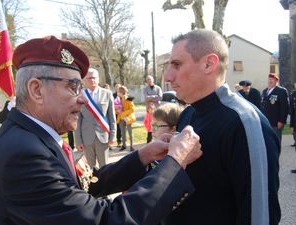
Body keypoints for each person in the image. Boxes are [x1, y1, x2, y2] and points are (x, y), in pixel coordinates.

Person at [0, 35, 203, 225]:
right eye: (73, 87)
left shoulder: (32, 137)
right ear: (36, 90)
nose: (82, 99)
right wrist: (175, 163)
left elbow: (88, 182)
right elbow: (104, 220)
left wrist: (143, 155)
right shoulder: (24, 154)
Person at [163, 29, 280, 225]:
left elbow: (260, 216)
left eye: (177, 64)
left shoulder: (245, 122)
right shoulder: (188, 114)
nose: (167, 76)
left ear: (209, 63)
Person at [75, 68, 116, 168]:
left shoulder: (107, 94)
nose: (91, 80)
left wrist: (113, 136)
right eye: (89, 78)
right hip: (86, 137)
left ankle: (105, 184)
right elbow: (78, 119)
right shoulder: (80, 95)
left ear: (98, 79)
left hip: (103, 136)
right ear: (84, 80)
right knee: (89, 168)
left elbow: (112, 117)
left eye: (94, 78)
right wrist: (78, 140)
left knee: (105, 167)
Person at [261, 73, 289, 144]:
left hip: (276, 122)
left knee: (276, 141)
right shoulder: (265, 91)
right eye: (269, 79)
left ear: (276, 81)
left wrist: (281, 121)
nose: (270, 81)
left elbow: (284, 107)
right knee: (267, 140)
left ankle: (276, 155)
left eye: (272, 79)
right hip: (266, 121)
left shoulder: (281, 91)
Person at [116, 85, 136, 151]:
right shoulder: (118, 99)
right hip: (121, 118)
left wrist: (123, 113)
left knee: (130, 132)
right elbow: (117, 108)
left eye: (118, 91)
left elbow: (132, 109)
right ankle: (124, 145)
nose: (117, 93)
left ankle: (132, 146)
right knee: (123, 132)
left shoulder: (128, 99)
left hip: (128, 118)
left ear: (121, 92)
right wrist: (117, 110)